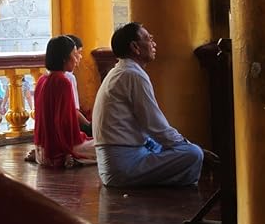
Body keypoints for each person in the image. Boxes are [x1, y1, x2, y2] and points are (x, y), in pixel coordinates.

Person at [92, 22, 204, 187]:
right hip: (123, 167)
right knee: (194, 154)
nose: (154, 44)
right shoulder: (132, 75)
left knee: (169, 146)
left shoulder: (120, 71)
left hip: (120, 161)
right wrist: (186, 144)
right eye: (149, 39)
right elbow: (156, 126)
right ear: (135, 47)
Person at [32, 35, 96, 168]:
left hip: (41, 150)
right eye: (74, 54)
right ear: (64, 58)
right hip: (59, 150)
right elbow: (64, 122)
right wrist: (67, 152)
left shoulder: (41, 80)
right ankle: (76, 159)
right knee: (108, 148)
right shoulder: (62, 81)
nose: (77, 59)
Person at [65, 34, 92, 135]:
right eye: (78, 53)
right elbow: (74, 112)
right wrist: (90, 127)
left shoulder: (45, 77)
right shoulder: (68, 78)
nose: (79, 57)